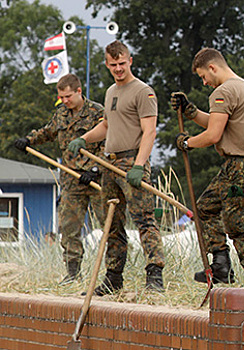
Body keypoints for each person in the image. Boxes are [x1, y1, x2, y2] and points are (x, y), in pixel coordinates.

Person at [67, 40, 165, 295]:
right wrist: (84, 139)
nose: (118, 68)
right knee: (111, 223)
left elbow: (150, 131)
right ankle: (113, 279)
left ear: (130, 61)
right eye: (113, 65)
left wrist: (139, 165)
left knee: (144, 220)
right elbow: (106, 127)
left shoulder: (144, 92)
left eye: (122, 63)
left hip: (132, 162)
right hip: (109, 163)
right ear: (107, 65)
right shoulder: (111, 91)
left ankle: (154, 276)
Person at [170, 47, 244, 287]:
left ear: (213, 67)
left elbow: (213, 134)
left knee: (238, 223)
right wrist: (191, 111)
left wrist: (187, 143)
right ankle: (221, 265)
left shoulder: (222, 92)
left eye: (204, 76)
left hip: (241, 167)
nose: (204, 82)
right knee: (205, 208)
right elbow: (219, 122)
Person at [13, 73, 106, 286]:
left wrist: (94, 167)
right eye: (61, 97)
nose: (64, 101)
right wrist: (29, 140)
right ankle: (73, 274)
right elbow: (48, 132)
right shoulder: (61, 113)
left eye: (68, 96)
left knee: (109, 226)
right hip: (71, 180)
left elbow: (107, 142)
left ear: (79, 91)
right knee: (69, 228)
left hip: (96, 179)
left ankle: (113, 274)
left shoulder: (97, 112)